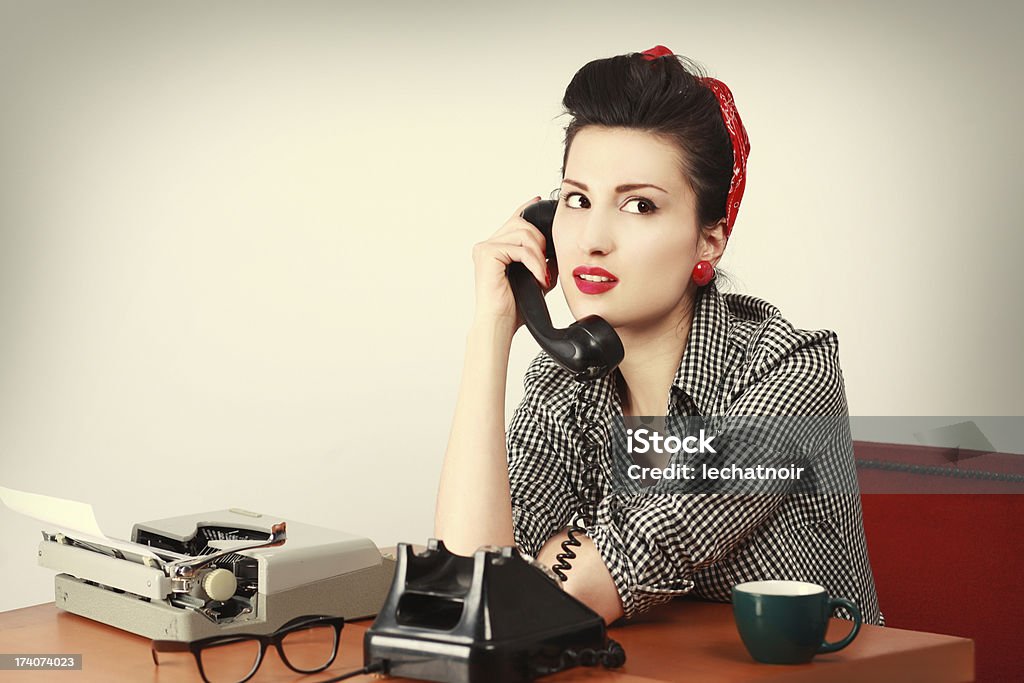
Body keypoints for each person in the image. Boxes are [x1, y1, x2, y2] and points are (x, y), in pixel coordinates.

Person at [435, 45, 881, 626]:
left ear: (708, 242)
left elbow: (593, 577)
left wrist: (538, 571)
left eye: (639, 205)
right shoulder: (562, 384)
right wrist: (492, 329)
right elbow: (471, 586)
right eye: (577, 199)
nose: (592, 238)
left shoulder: (790, 368)